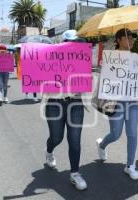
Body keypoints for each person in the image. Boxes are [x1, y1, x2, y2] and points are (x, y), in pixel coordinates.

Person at [44, 30, 89, 190]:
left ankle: (75, 173)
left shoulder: (82, 61)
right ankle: (49, 151)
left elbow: (87, 84)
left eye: (76, 43)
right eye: (70, 43)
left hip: (75, 103)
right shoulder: (51, 59)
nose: (73, 46)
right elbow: (42, 83)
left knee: (75, 140)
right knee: (56, 138)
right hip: (55, 103)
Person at [95, 28, 138, 180]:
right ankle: (102, 145)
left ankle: (130, 165)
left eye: (132, 38)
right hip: (115, 102)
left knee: (133, 134)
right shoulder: (111, 57)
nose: (131, 40)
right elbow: (106, 79)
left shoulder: (136, 58)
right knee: (116, 134)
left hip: (133, 101)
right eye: (128, 37)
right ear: (119, 40)